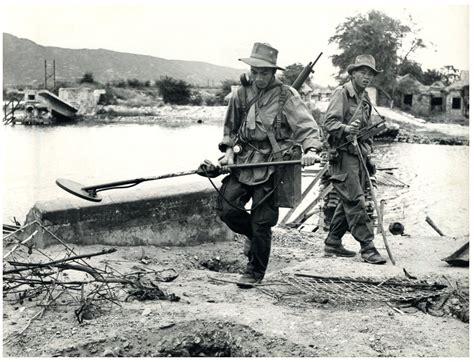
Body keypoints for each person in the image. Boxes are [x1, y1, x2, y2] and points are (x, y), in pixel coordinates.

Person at [211, 42, 322, 285]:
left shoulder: (287, 96)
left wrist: (311, 150)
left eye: (264, 73)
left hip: (273, 164)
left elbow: (306, 126)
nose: (259, 78)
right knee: (226, 209)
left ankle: (254, 272)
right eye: (255, 72)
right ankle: (252, 235)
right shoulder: (241, 93)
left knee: (262, 221)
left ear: (274, 73)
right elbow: (230, 127)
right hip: (244, 161)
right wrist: (229, 153)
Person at [323, 54, 386, 264]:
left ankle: (332, 243)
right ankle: (368, 247)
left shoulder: (365, 98)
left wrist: (370, 154)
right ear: (353, 73)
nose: (367, 77)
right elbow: (328, 122)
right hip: (342, 157)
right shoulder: (342, 93)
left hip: (359, 155)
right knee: (356, 200)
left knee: (348, 199)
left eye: (370, 74)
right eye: (363, 73)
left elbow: (366, 129)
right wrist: (345, 128)